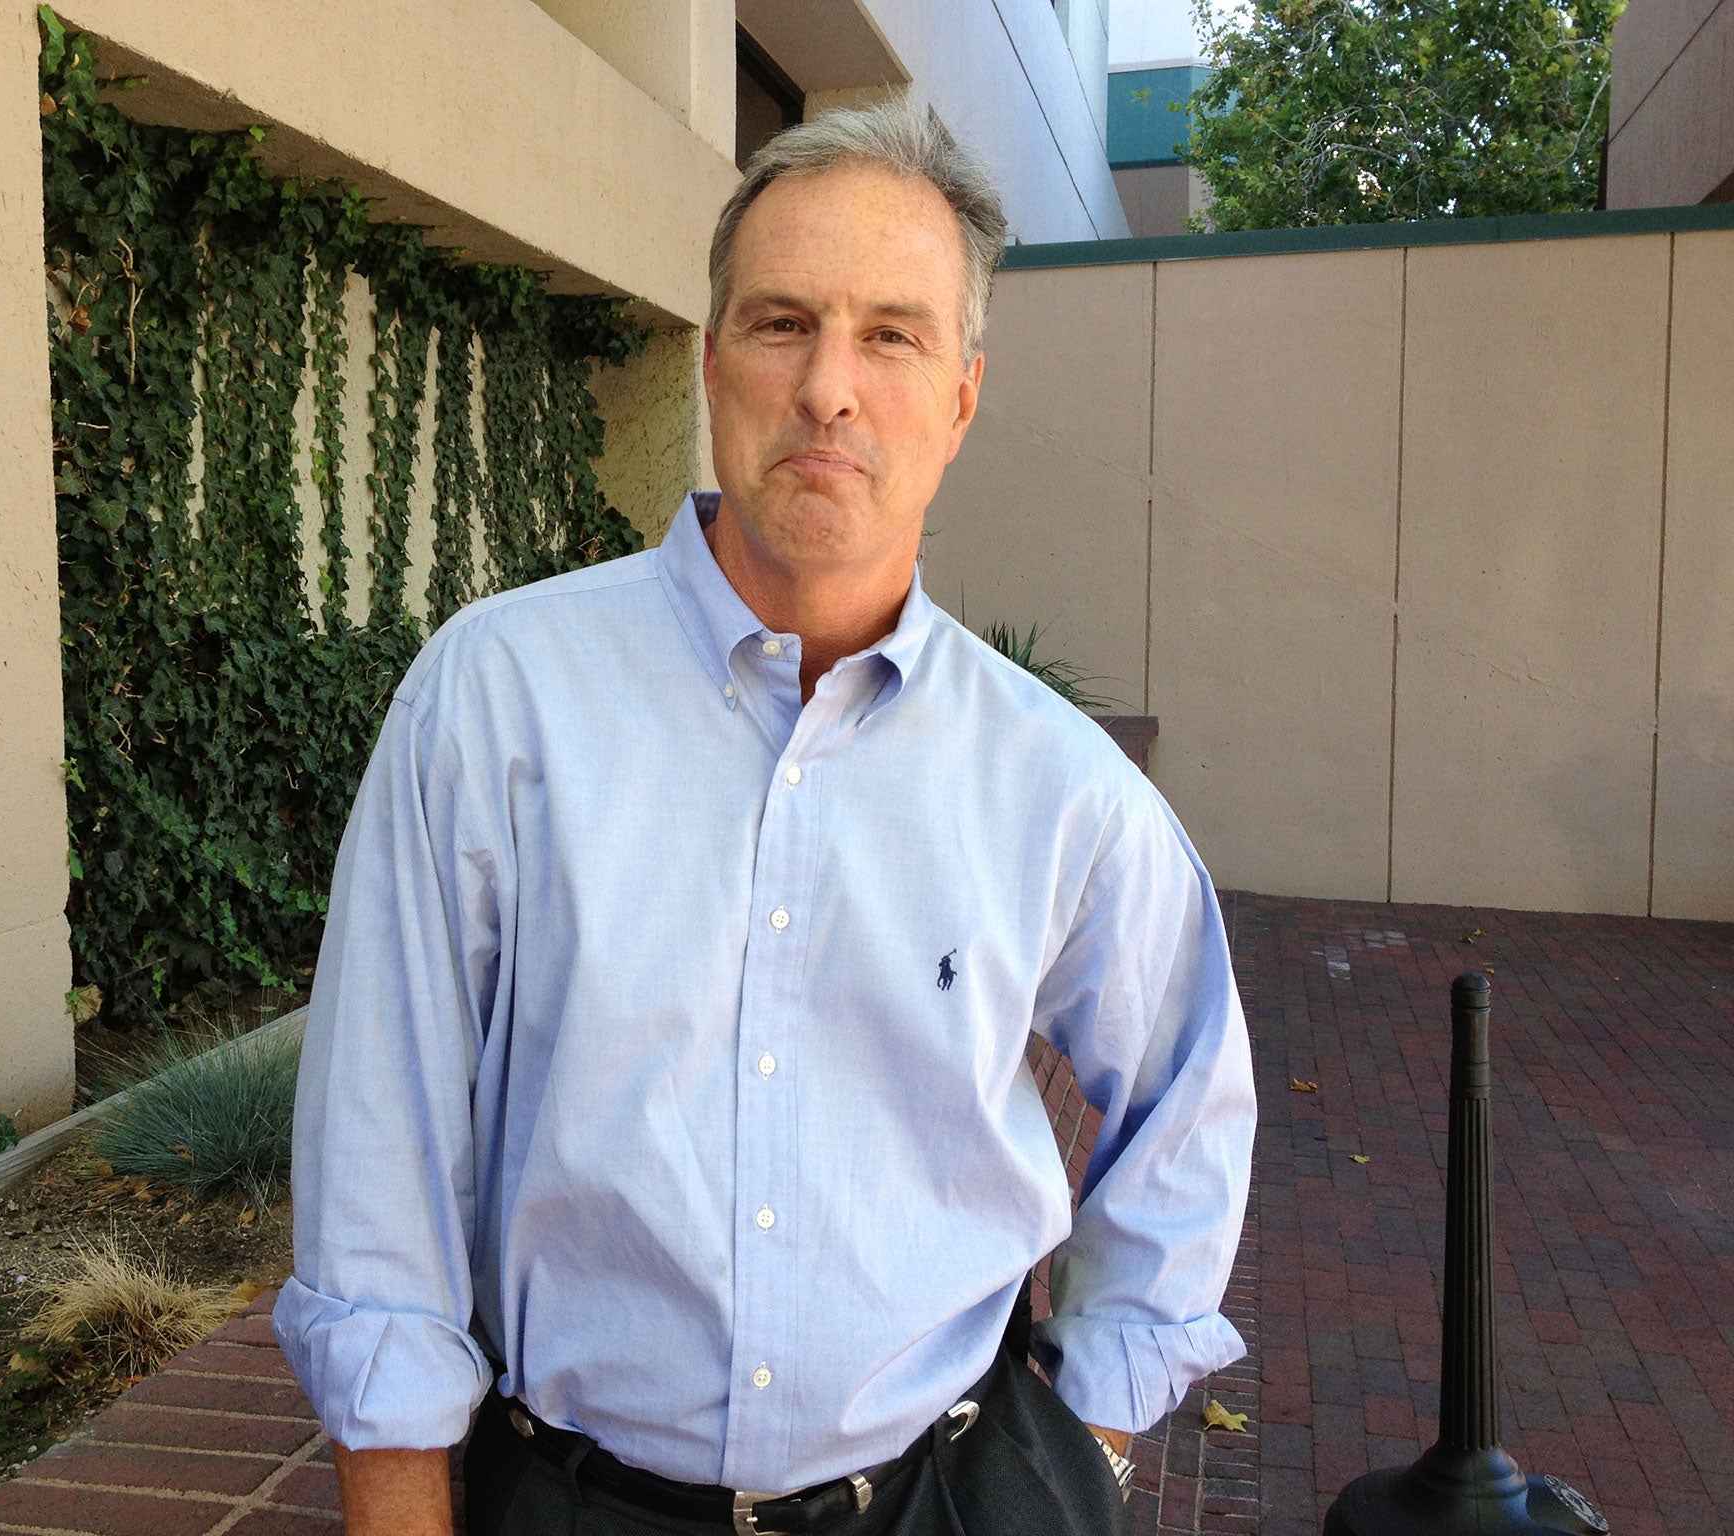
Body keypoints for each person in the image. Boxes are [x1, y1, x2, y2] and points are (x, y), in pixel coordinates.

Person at [273, 100, 1255, 1536]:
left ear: (962, 398)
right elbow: (380, 1163)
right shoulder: (494, 703)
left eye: (891, 336)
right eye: (783, 323)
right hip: (574, 1504)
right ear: (714, 358)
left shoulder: (1055, 784)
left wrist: (1082, 1448)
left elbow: (1190, 1097)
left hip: (944, 1498)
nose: (829, 389)